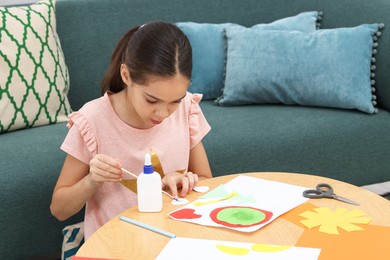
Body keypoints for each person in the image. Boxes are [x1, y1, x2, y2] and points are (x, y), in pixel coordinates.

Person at [50, 21, 212, 239]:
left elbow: (206, 181)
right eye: (151, 100)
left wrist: (185, 182)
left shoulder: (187, 108)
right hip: (116, 246)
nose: (163, 113)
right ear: (126, 76)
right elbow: (59, 209)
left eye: (175, 100)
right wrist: (91, 181)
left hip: (173, 241)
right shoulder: (93, 120)